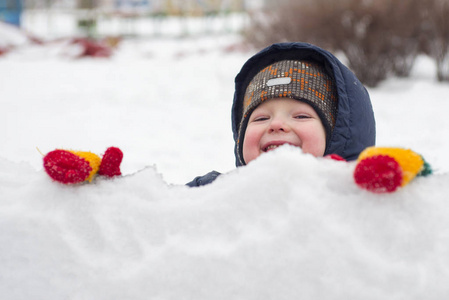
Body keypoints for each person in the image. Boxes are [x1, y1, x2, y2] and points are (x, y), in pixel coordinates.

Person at [187, 42, 376, 187]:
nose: (276, 124)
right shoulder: (217, 193)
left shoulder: (356, 199)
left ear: (337, 133)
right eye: (261, 118)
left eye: (301, 116)